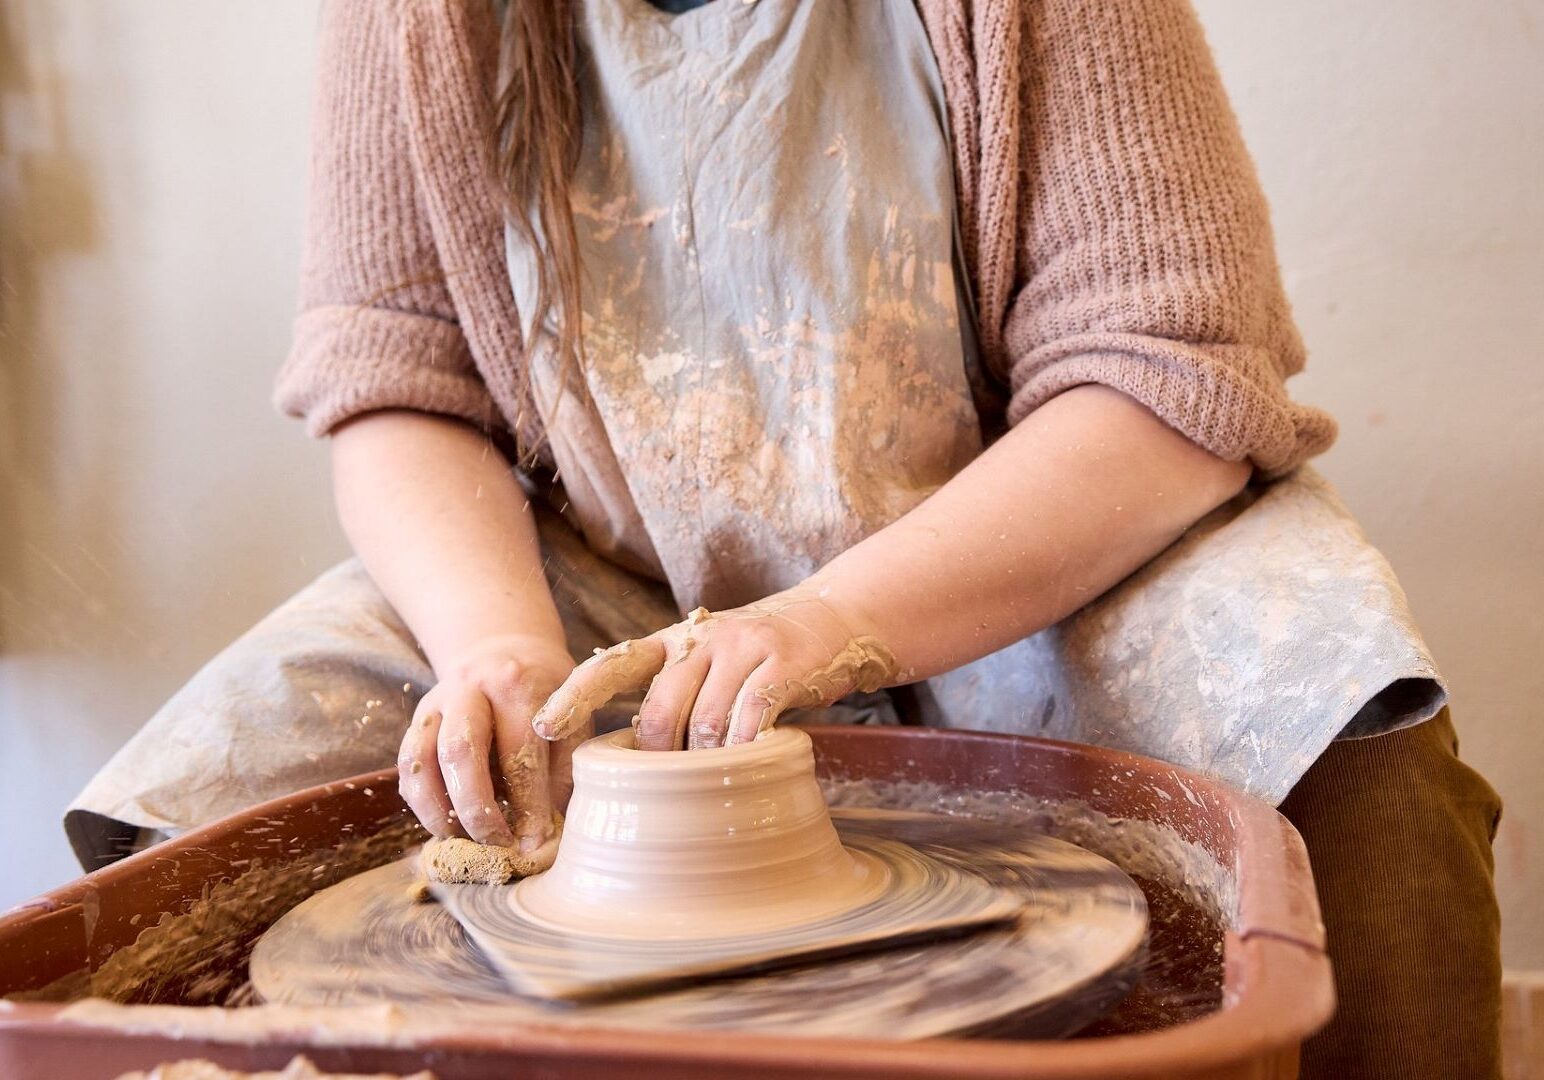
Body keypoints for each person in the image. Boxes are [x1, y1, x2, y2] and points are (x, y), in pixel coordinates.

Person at [72, 2, 1501, 1076]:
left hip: (1037, 555)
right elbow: (394, 387)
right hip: (595, 584)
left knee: (1350, 766)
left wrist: (825, 627)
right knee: (196, 836)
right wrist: (495, 644)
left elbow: (1165, 377)